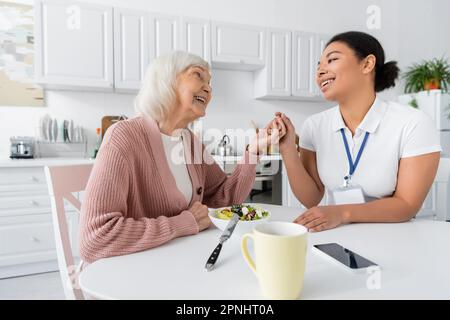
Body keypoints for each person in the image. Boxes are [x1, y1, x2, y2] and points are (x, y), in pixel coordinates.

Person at [79, 51, 279, 263]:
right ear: (167, 81)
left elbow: (224, 199)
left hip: (176, 262)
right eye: (198, 75)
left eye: (210, 82)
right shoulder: (124, 136)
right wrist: (184, 223)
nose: (209, 88)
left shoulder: (190, 141)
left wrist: (254, 150)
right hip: (132, 273)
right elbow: (95, 238)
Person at [274, 31, 441, 232]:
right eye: (318, 66)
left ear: (367, 64)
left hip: (393, 235)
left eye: (332, 59)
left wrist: (341, 213)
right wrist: (287, 149)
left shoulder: (413, 123)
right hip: (337, 233)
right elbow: (312, 198)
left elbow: (406, 205)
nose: (320, 71)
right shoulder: (314, 125)